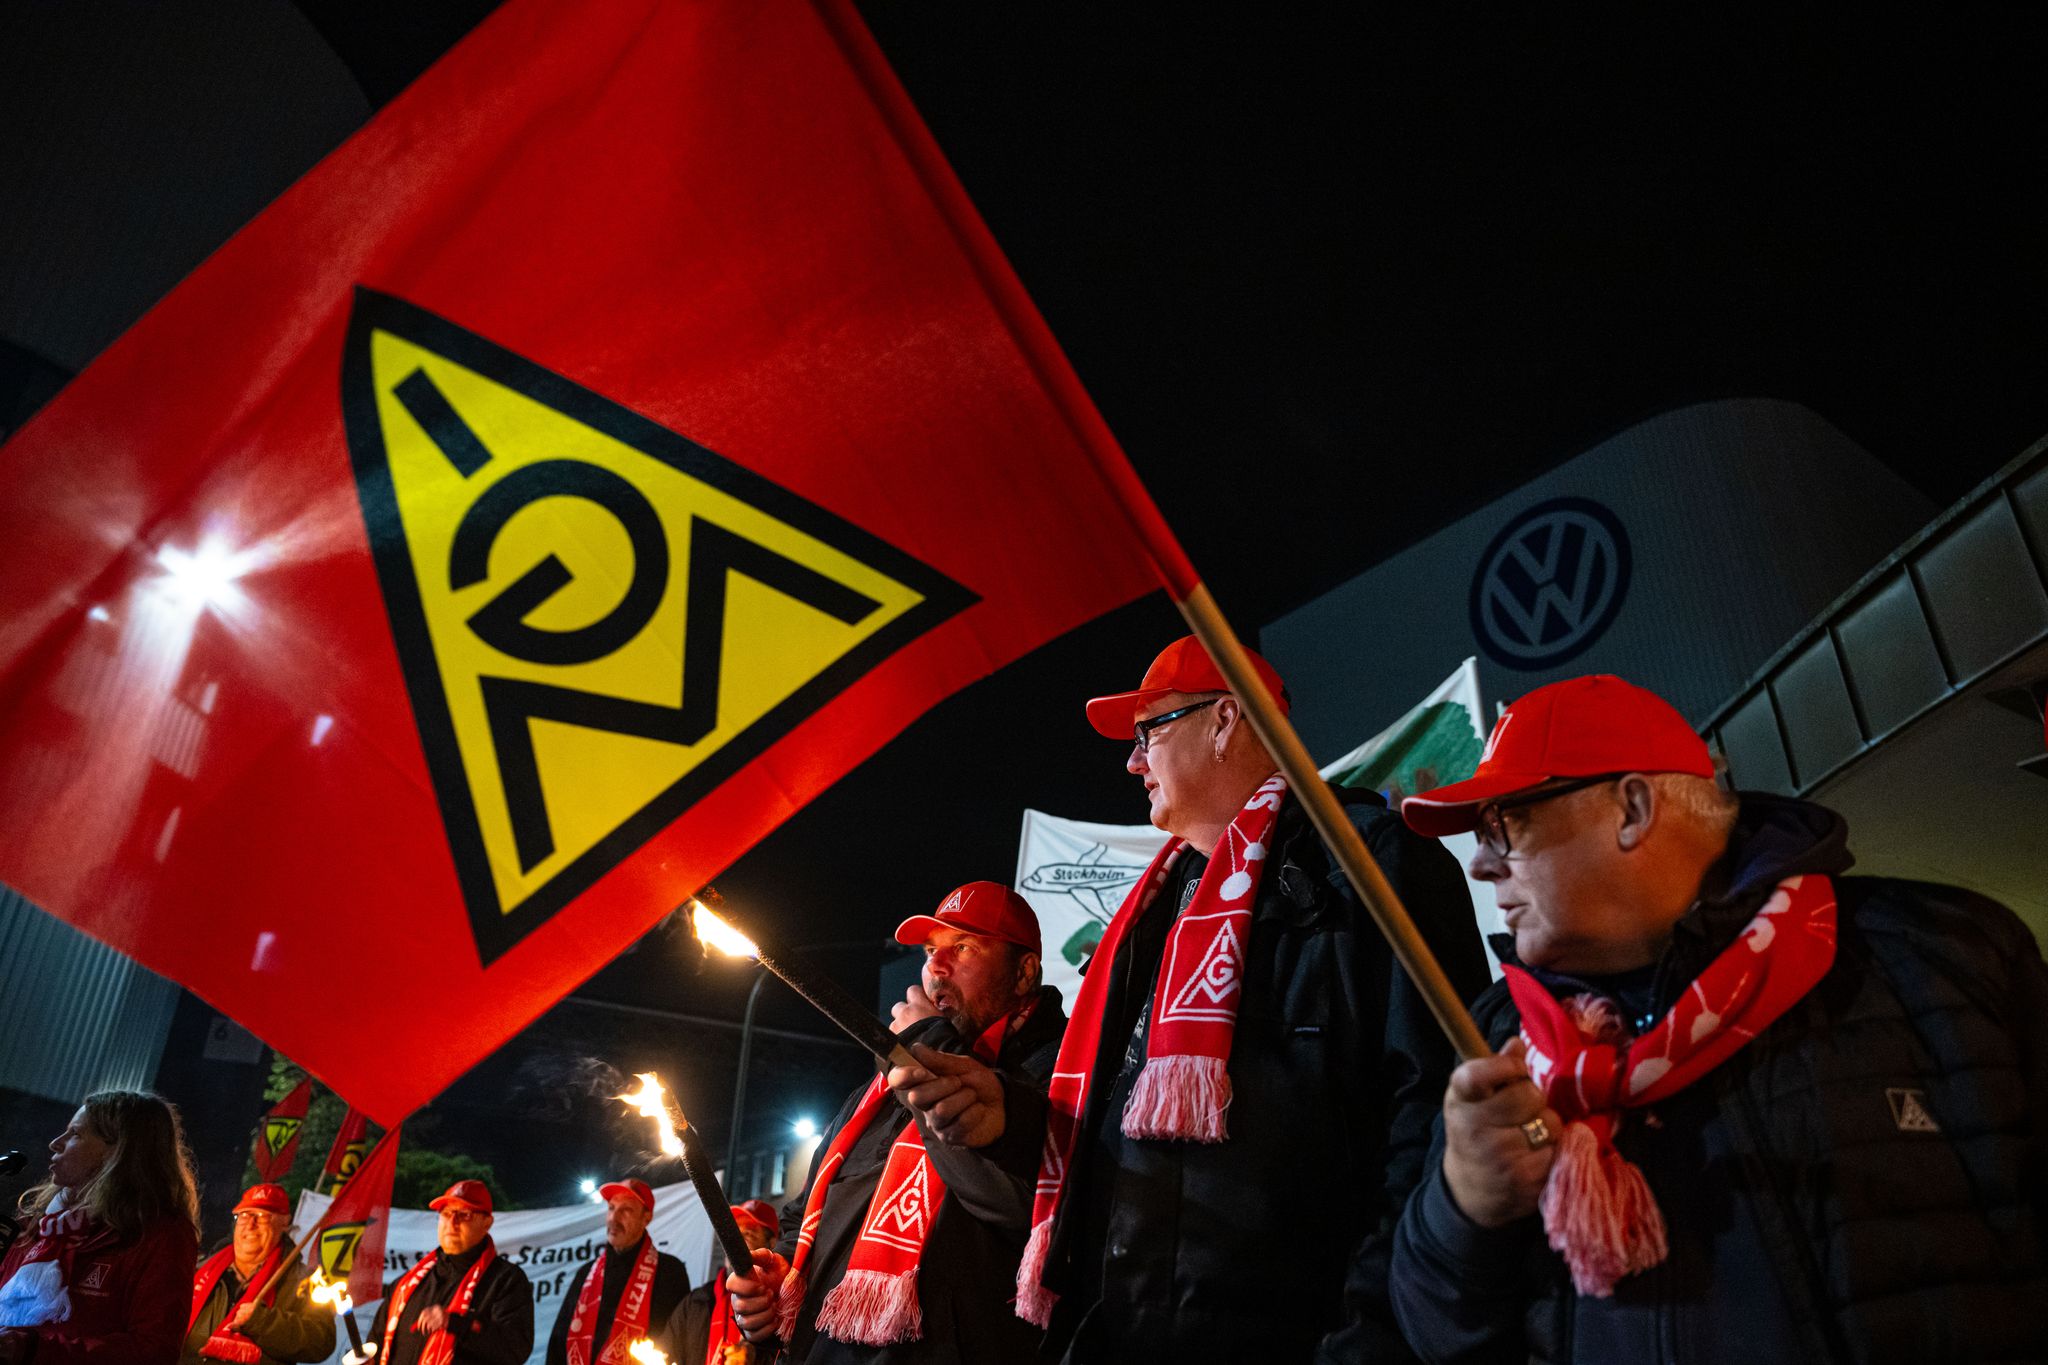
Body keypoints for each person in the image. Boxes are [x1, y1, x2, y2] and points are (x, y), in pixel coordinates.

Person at [1387, 674, 2048, 1363]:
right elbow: (1435, 1335)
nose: (1484, 865)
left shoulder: (1940, 952)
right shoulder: (1496, 1041)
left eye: (1504, 824)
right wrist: (1460, 1208)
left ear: (1633, 808)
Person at [1016, 637, 1491, 1362]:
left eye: (1151, 731)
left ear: (1225, 719)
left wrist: (1370, 1335)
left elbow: (1430, 1119)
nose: (1133, 761)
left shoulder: (1368, 866)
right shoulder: (1149, 918)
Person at [727, 881, 1068, 1363]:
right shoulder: (874, 1092)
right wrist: (775, 1272)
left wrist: (928, 1047)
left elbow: (1018, 1203)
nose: (936, 966)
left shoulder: (1060, 1069)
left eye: (964, 947)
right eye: (931, 950)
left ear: (1024, 972)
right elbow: (803, 1215)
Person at [0, 1090, 202, 1364]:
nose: (55, 1144)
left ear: (119, 1151)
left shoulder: (159, 1236)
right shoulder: (36, 1226)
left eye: (75, 1135)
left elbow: (153, 1351)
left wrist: (32, 1349)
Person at [365, 1180, 533, 1365]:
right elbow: (377, 1342)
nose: (452, 1222)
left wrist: (455, 1323)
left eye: (464, 1214)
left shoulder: (504, 1280)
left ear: (487, 1223)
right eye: (446, 1213)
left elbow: (515, 1349)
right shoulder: (405, 1284)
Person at [180, 1182, 334, 1365]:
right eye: (244, 1215)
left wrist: (263, 1322)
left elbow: (321, 1342)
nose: (250, 1225)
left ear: (285, 1223)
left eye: (262, 1216)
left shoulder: (304, 1282)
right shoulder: (198, 1269)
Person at [545, 1177, 689, 1365]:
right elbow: (558, 1341)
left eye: (626, 1210)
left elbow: (677, 1344)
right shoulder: (587, 1273)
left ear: (646, 1218)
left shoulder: (669, 1272)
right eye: (611, 1208)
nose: (614, 1218)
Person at [658, 1201, 778, 1365]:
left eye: (748, 1235)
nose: (733, 1244)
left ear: (771, 1244)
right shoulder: (696, 1302)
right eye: (733, 1235)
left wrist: (755, 1359)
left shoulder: (783, 1309)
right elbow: (664, 1353)